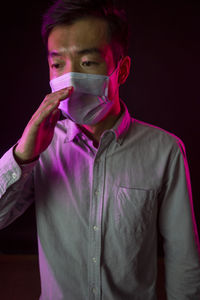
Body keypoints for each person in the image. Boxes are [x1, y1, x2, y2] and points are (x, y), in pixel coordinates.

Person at [0, 0, 200, 299]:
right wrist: (23, 157)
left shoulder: (165, 150)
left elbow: (183, 256)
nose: (70, 78)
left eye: (88, 62)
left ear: (121, 70)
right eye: (57, 64)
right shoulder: (41, 149)